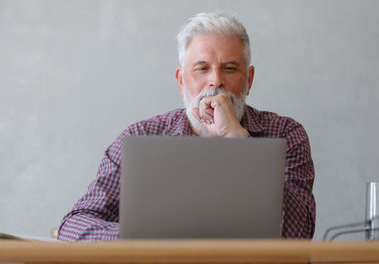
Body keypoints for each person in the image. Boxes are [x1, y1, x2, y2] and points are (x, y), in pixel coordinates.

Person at [58, 12, 316, 241]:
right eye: (202, 69)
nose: (215, 81)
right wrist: (143, 238)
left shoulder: (285, 134)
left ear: (248, 79)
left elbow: (298, 234)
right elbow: (74, 226)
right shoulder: (140, 138)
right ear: (181, 80)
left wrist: (236, 139)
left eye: (229, 68)